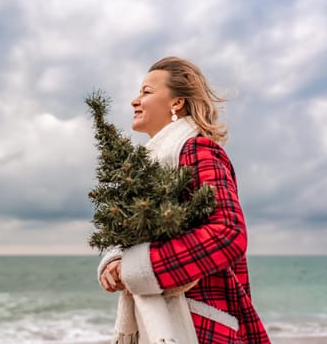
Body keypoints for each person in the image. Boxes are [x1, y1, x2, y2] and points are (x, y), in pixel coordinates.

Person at [97, 56, 271, 343]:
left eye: (146, 91)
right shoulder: (150, 164)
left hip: (199, 327)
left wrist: (141, 267)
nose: (134, 101)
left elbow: (228, 232)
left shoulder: (197, 149)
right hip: (168, 325)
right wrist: (118, 258)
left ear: (176, 102)